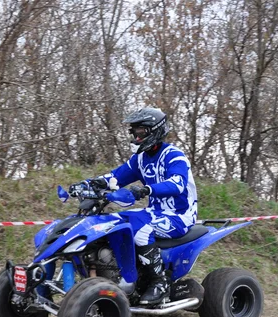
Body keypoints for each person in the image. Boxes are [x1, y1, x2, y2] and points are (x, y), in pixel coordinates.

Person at [71, 107, 198, 305]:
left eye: (140, 132)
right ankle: (118, 275)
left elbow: (177, 184)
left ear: (154, 130)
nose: (136, 137)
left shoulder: (174, 156)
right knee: (114, 222)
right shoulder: (140, 160)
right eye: (133, 132)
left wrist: (146, 190)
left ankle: (160, 282)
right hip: (155, 212)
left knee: (140, 228)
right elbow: (114, 177)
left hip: (180, 216)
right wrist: (87, 184)